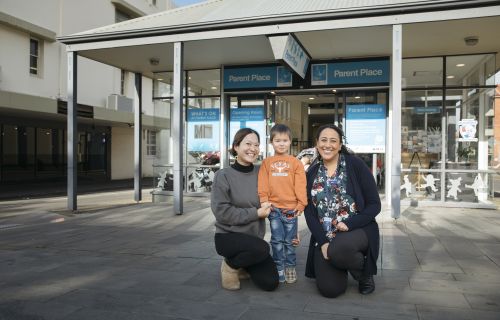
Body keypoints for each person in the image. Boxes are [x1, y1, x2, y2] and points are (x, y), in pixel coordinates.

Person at [304, 124, 381, 298]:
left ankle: (363, 273)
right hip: (326, 235)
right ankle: (342, 260)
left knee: (340, 249)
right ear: (317, 144)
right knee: (330, 290)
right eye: (323, 140)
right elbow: (309, 212)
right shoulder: (312, 172)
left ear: (339, 145)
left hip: (356, 230)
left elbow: (374, 204)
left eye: (333, 141)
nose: (327, 145)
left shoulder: (355, 164)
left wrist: (349, 223)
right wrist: (323, 242)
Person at [211, 128, 279, 291]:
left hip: (253, 239)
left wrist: (290, 226)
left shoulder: (262, 172)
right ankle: (230, 265)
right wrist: (255, 213)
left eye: (256, 145)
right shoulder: (223, 175)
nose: (253, 148)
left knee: (270, 283)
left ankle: (244, 263)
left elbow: (277, 195)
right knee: (263, 248)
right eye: (248, 144)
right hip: (228, 236)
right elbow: (222, 212)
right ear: (236, 146)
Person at [258, 124, 307, 284]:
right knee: (276, 241)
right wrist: (264, 201)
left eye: (285, 140)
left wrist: (301, 203)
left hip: (291, 209)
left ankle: (290, 267)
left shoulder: (295, 162)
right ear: (271, 142)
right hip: (273, 209)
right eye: (277, 140)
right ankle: (279, 267)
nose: (281, 143)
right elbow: (262, 184)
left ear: (290, 142)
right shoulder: (266, 163)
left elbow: (300, 184)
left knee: (290, 241)